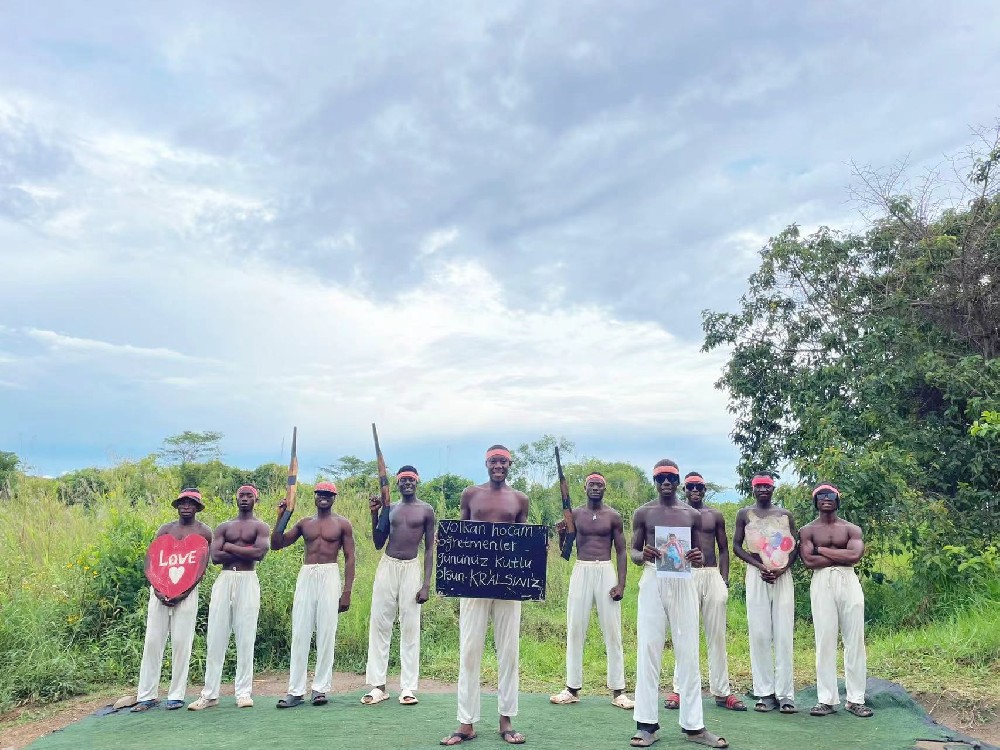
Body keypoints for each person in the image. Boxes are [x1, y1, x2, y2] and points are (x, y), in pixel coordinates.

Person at [629, 461, 727, 749]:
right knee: (648, 648)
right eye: (661, 478)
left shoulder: (691, 514)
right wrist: (642, 554)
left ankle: (694, 726)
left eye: (671, 477)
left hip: (685, 580)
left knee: (688, 650)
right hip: (653, 580)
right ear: (655, 481)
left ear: (678, 480)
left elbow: (699, 552)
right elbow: (633, 551)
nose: (666, 482)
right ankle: (646, 725)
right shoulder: (644, 512)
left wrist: (697, 558)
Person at [441, 445, 529, 746]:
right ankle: (466, 722)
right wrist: (449, 544)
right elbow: (463, 534)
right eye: (494, 461)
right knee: (469, 650)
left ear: (510, 464)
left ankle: (506, 720)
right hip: (473, 582)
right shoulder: (470, 494)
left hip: (508, 583)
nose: (499, 466)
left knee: (508, 651)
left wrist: (536, 552)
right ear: (486, 463)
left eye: (503, 461)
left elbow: (523, 540)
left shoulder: (519, 499)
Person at [550, 472, 634, 710]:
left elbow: (620, 551)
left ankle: (619, 691)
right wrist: (561, 534)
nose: (595, 488)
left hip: (606, 570)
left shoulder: (613, 516)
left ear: (604, 489)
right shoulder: (575, 514)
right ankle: (572, 688)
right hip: (582, 569)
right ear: (584, 487)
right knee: (575, 628)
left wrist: (621, 583)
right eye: (591, 484)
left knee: (613, 629)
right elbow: (566, 553)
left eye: (599, 485)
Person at [124, 488, 213, 712]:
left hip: (187, 594)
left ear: (197, 507)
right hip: (159, 593)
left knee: (182, 643)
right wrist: (158, 590)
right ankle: (147, 694)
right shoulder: (165, 529)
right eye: (182, 502)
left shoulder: (205, 532)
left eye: (191, 503)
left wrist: (184, 591)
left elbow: (201, 566)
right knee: (153, 641)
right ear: (176, 505)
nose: (186, 506)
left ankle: (176, 694)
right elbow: (154, 560)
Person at [271, 480, 356, 708]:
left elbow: (350, 558)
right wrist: (282, 516)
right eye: (320, 493)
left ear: (334, 497)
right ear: (315, 496)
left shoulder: (342, 524)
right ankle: (296, 690)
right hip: (307, 575)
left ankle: (320, 689)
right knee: (300, 631)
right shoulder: (304, 523)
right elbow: (277, 544)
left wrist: (346, 591)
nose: (324, 497)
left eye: (328, 494)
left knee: (326, 631)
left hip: (330, 574)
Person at [666, 472, 746, 712]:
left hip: (711, 575)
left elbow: (723, 549)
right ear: (684, 489)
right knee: (685, 635)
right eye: (690, 486)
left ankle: (722, 692)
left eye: (699, 486)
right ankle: (680, 689)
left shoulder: (715, 515)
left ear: (705, 489)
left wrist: (724, 579)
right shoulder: (676, 515)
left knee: (717, 636)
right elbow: (670, 548)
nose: (695, 490)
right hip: (686, 576)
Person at [188, 485, 270, 710]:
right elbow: (215, 556)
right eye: (241, 495)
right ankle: (209, 694)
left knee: (245, 636)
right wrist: (244, 549)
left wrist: (230, 547)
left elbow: (260, 553)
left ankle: (243, 693)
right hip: (225, 580)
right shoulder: (224, 526)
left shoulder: (260, 526)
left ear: (256, 499)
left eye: (249, 496)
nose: (245, 499)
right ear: (235, 499)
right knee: (215, 637)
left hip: (248, 579)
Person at [361, 465, 436, 706]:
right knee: (380, 623)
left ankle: (408, 687)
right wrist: (375, 513)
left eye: (410, 479)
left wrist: (426, 584)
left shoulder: (426, 510)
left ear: (417, 482)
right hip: (388, 565)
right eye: (402, 480)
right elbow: (377, 542)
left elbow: (430, 548)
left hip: (411, 567)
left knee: (410, 625)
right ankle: (378, 686)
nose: (407, 483)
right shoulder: (389, 508)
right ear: (397, 483)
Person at [799, 484, 873, 718]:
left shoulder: (851, 529)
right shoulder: (807, 530)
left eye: (830, 495)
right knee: (825, 639)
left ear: (838, 500)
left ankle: (855, 699)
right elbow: (809, 562)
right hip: (821, 583)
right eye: (820, 496)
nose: (826, 499)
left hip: (849, 582)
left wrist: (821, 550)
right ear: (815, 501)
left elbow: (853, 557)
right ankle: (827, 699)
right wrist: (836, 555)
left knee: (855, 640)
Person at [732, 472, 799, 714]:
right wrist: (760, 565)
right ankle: (764, 693)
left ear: (773, 489)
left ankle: (785, 695)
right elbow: (737, 546)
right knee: (759, 634)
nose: (763, 490)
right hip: (757, 575)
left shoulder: (784, 515)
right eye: (758, 486)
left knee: (783, 634)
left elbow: (794, 547)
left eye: (767, 486)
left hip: (781, 577)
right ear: (752, 490)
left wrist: (781, 570)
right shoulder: (744, 514)